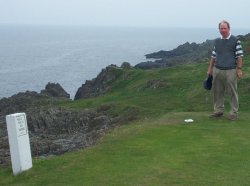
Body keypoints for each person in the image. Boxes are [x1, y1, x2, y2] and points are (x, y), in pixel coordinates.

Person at [207, 20, 244, 120]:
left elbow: (240, 55)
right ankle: (218, 111)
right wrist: (210, 69)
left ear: (228, 29)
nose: (223, 30)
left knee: (232, 92)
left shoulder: (236, 40)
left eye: (225, 28)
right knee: (217, 91)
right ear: (219, 29)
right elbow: (213, 56)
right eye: (221, 28)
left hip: (231, 70)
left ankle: (233, 113)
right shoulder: (217, 41)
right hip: (217, 69)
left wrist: (239, 69)